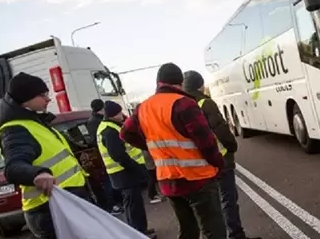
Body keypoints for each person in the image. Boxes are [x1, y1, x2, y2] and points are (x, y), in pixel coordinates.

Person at [121, 63, 227, 239]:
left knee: (188, 230)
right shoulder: (184, 104)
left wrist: (151, 146)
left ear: (158, 83)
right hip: (197, 178)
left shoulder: (143, 108)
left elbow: (125, 133)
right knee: (213, 230)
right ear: (180, 82)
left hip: (168, 181)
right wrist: (219, 164)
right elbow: (206, 141)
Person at [0, 72, 89, 239]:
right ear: (26, 98)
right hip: (49, 210)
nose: (48, 99)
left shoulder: (34, 122)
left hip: (64, 204)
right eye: (43, 95)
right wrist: (37, 174)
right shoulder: (15, 129)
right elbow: (13, 167)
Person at [183, 70, 261, 239]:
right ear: (200, 86)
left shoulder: (183, 105)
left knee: (210, 203)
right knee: (228, 199)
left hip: (199, 162)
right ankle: (236, 234)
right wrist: (232, 146)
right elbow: (220, 129)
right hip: (220, 158)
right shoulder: (205, 103)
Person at [96, 101, 156, 238]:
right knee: (132, 205)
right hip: (123, 173)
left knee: (136, 204)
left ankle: (141, 230)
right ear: (112, 114)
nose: (120, 114)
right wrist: (137, 169)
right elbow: (119, 155)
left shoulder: (110, 126)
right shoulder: (109, 130)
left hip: (125, 173)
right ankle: (137, 233)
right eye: (118, 112)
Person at [87, 98, 123, 215]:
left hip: (102, 156)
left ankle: (115, 203)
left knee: (107, 182)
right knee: (106, 183)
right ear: (100, 109)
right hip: (103, 157)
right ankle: (111, 205)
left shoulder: (94, 120)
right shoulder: (97, 122)